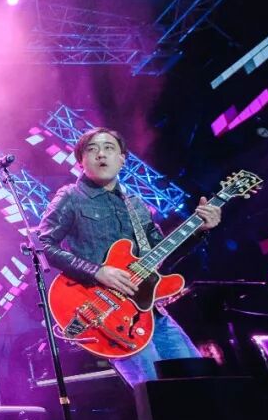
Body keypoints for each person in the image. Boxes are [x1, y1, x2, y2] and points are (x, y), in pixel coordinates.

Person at [36, 127, 222, 387]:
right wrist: (97, 271)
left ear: (122, 159)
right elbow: (43, 245)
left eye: (109, 148)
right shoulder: (71, 197)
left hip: (150, 310)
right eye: (92, 149)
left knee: (198, 383)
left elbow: (161, 254)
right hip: (107, 313)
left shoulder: (135, 204)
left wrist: (199, 230)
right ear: (81, 162)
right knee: (155, 395)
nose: (101, 154)